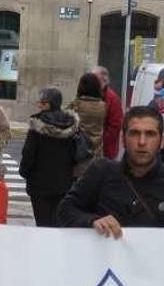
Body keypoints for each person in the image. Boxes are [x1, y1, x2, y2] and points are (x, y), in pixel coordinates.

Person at [57, 106, 164, 237]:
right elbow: (65, 210)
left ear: (161, 142)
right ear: (123, 139)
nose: (142, 142)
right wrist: (92, 221)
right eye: (134, 133)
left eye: (150, 134)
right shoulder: (101, 172)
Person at [19, 88, 81, 227]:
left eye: (43, 103)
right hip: (64, 184)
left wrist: (24, 172)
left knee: (43, 224)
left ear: (50, 104)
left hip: (39, 185)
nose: (39, 105)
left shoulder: (37, 125)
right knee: (59, 224)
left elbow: (28, 154)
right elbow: (75, 154)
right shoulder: (71, 124)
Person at [67, 73, 106, 174]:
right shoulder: (103, 106)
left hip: (80, 150)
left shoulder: (77, 105)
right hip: (97, 151)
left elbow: (65, 119)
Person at [92, 66, 124, 159]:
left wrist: (98, 140)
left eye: (95, 79)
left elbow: (115, 126)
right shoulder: (89, 95)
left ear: (104, 81)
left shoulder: (112, 98)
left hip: (105, 151)